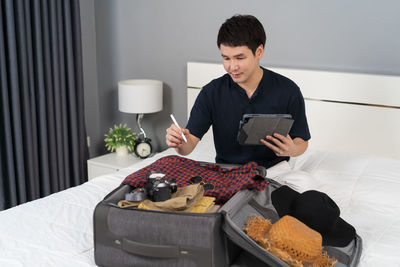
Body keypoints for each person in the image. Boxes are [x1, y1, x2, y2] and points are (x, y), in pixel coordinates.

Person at [166, 14, 310, 168]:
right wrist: (180, 143)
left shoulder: (288, 90)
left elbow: (302, 141)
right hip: (228, 173)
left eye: (240, 58)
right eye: (226, 58)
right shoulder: (211, 93)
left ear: (259, 52)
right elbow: (190, 144)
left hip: (275, 172)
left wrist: (292, 149)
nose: (232, 67)